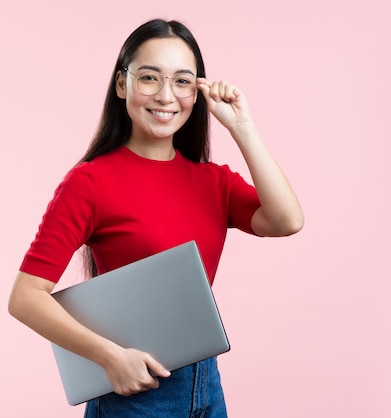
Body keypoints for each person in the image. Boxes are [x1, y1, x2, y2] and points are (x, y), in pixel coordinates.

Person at [8, 18, 304, 418]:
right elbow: (25, 298)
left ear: (196, 92)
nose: (166, 96)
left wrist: (242, 127)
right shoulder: (90, 182)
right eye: (150, 77)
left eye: (183, 81)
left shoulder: (213, 181)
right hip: (133, 390)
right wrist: (110, 358)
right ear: (121, 85)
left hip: (206, 382)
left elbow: (287, 220)